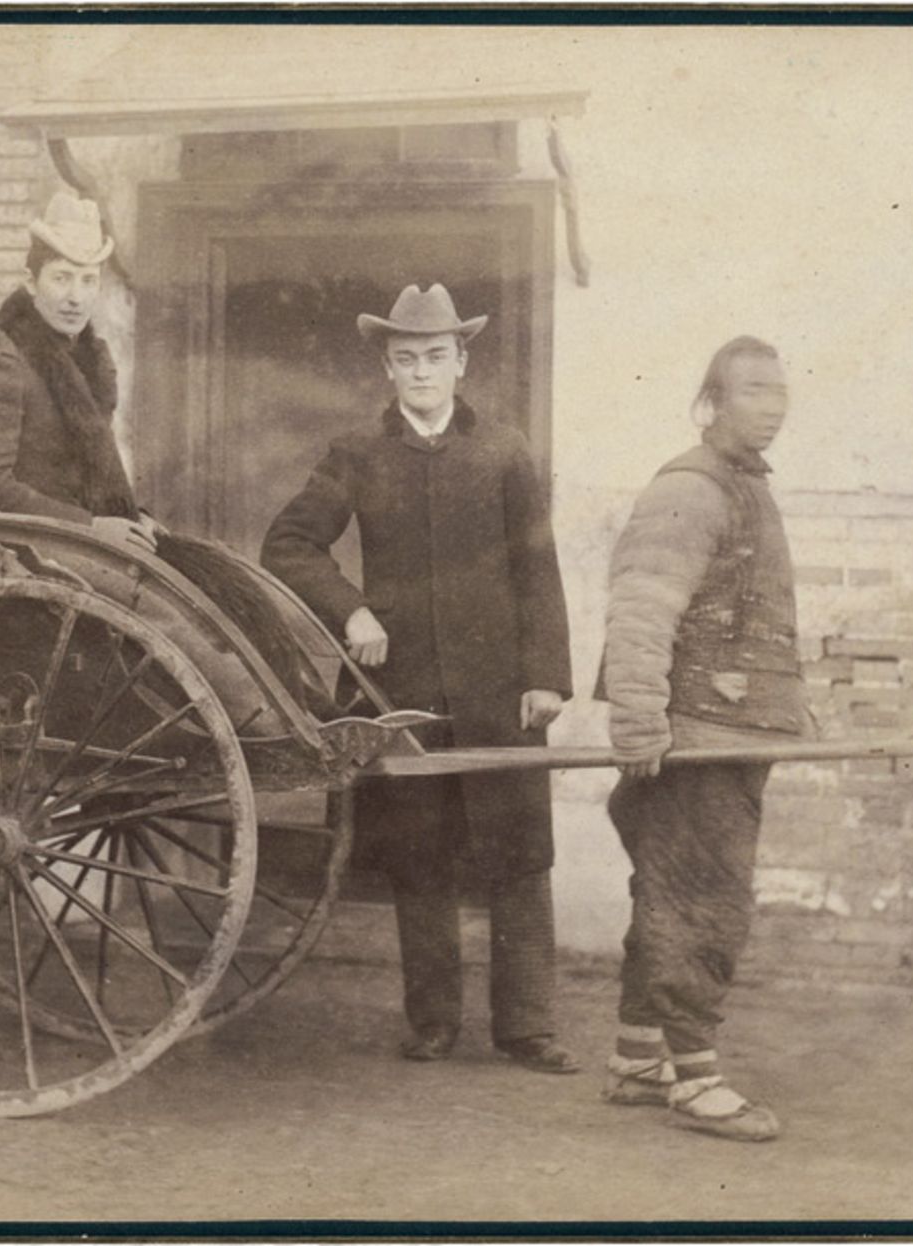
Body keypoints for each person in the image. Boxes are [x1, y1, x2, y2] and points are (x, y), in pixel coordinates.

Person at [262, 284, 578, 1074]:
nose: (422, 373)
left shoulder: (503, 452)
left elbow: (537, 569)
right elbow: (290, 544)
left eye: (436, 357)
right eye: (406, 360)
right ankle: (433, 1022)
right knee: (421, 857)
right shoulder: (357, 456)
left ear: (461, 361)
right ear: (388, 367)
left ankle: (528, 1028)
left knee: (519, 855)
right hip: (400, 691)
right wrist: (352, 613)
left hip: (499, 688)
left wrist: (546, 678)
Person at [596, 334, 810, 1142]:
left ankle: (637, 1059)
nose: (772, 404)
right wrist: (641, 719)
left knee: (666, 894)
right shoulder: (691, 488)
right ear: (712, 401)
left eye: (780, 390)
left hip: (732, 730)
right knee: (701, 902)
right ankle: (696, 1079)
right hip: (693, 736)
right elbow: (643, 607)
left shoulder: (744, 484)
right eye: (752, 389)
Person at [0, 190, 157, 552]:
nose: (76, 297)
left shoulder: (92, 360)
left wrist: (132, 521)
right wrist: (90, 528)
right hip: (27, 550)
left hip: (79, 543)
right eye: (62, 278)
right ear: (31, 282)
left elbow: (92, 474)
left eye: (88, 280)